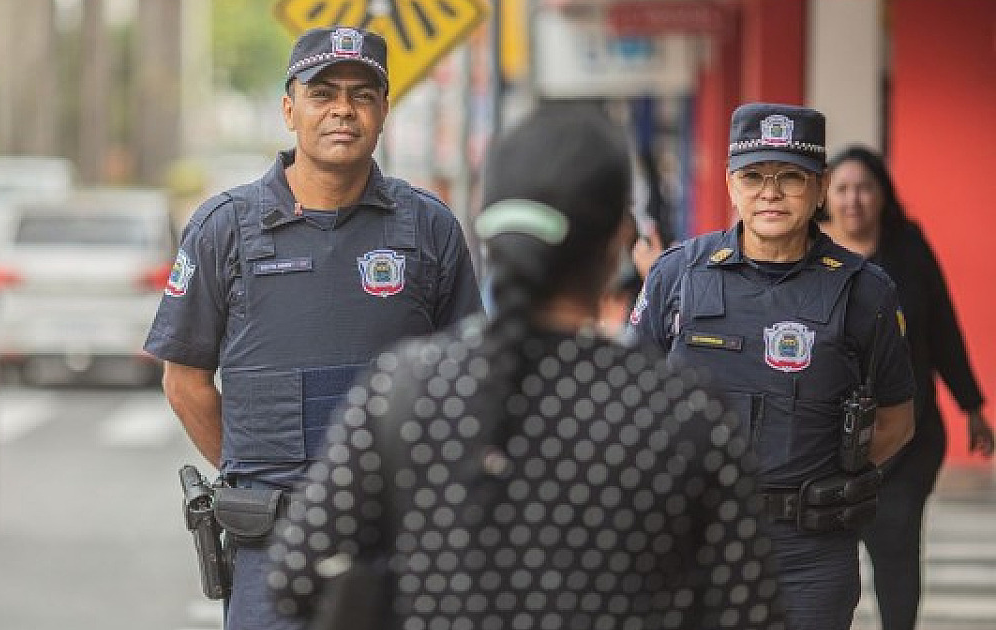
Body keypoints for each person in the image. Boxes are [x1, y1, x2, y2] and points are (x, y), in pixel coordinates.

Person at [269, 103, 790, 630]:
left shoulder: (403, 390)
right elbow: (746, 611)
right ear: (618, 241)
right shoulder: (683, 411)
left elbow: (296, 576)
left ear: (491, 236)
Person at [143, 26, 483, 630]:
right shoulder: (223, 229)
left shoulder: (429, 229)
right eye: (322, 92)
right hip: (273, 552)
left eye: (362, 94)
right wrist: (259, 485)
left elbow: (468, 382)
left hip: (400, 551)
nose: (342, 110)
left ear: (383, 111)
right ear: (288, 109)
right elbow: (185, 384)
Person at [631, 103, 917, 630]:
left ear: (820, 187)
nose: (771, 192)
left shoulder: (865, 291)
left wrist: (827, 475)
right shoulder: (677, 277)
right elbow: (629, 405)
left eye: (790, 176)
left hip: (810, 553)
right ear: (730, 185)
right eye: (754, 176)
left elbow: (898, 420)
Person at [819, 145, 995, 630]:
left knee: (895, 540)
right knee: (825, 560)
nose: (854, 200)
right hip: (825, 441)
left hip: (909, 436)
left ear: (882, 195)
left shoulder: (909, 249)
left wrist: (972, 407)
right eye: (843, 189)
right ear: (826, 196)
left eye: (865, 188)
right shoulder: (812, 256)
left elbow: (942, 328)